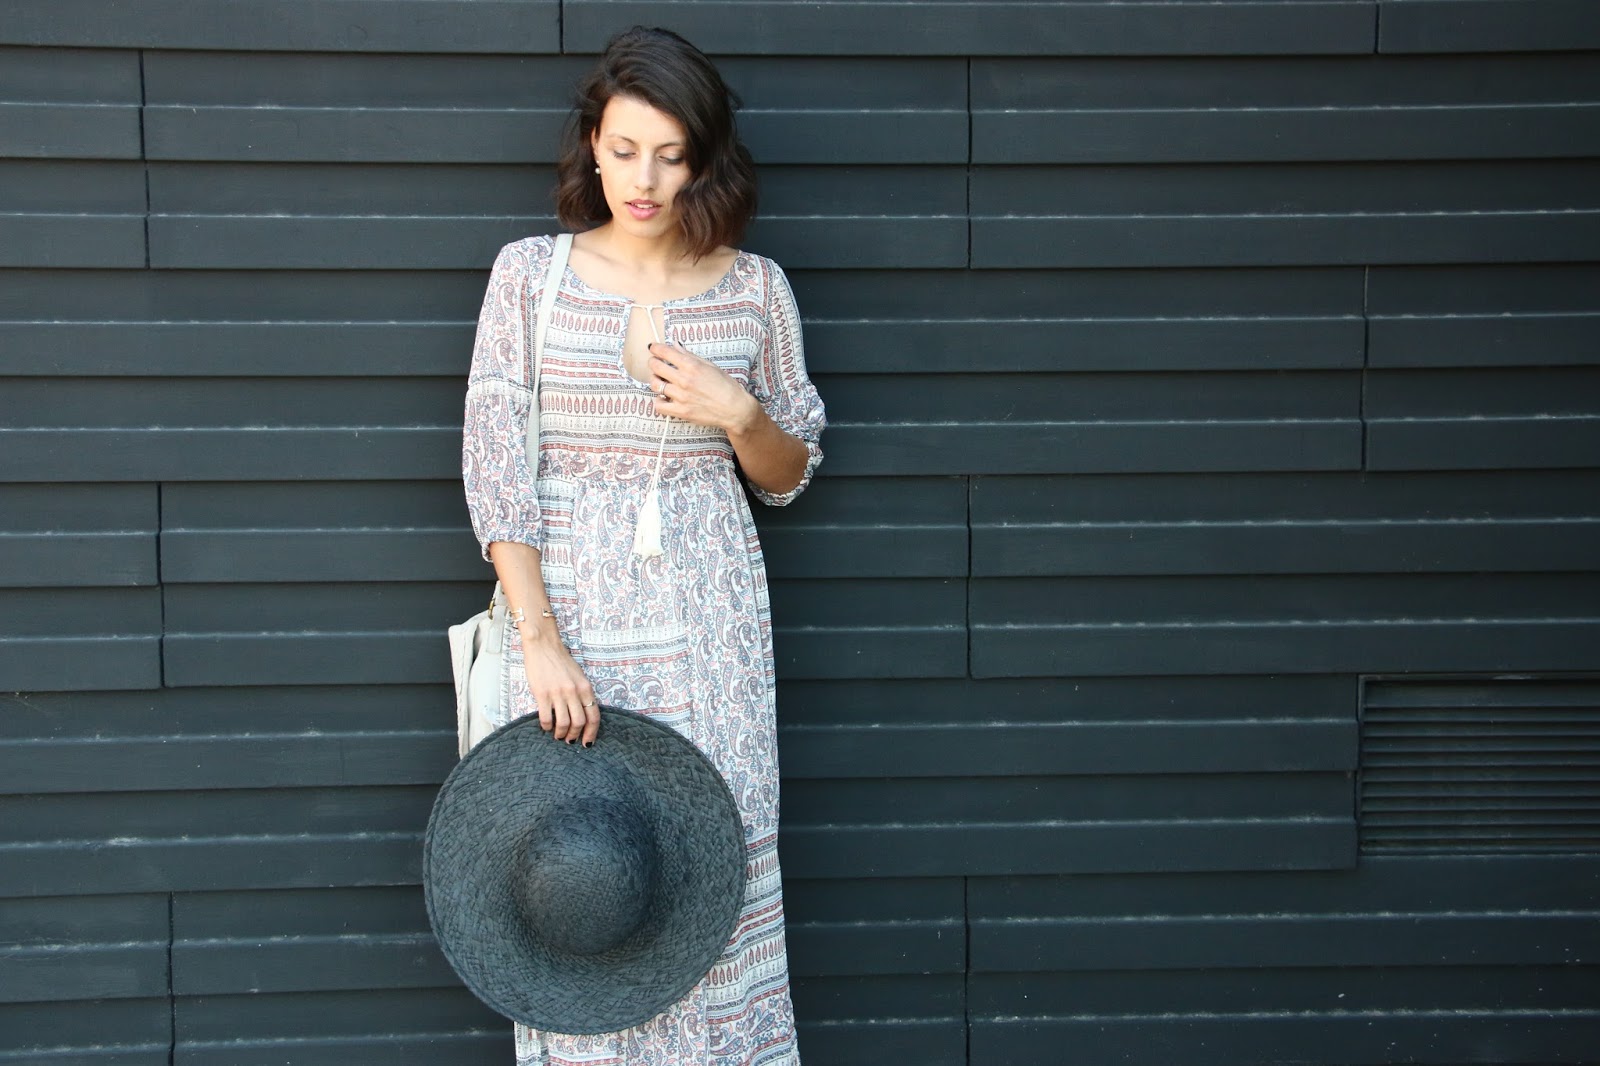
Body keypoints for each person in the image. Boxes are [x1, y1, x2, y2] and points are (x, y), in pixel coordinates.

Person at [460, 25, 823, 1066]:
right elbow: (494, 466)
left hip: (710, 630)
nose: (644, 179)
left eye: (670, 154)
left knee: (712, 864)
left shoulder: (755, 289)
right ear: (593, 144)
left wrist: (737, 412)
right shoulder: (531, 277)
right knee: (582, 872)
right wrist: (538, 640)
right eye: (623, 150)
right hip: (568, 621)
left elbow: (790, 473)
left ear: (704, 159)